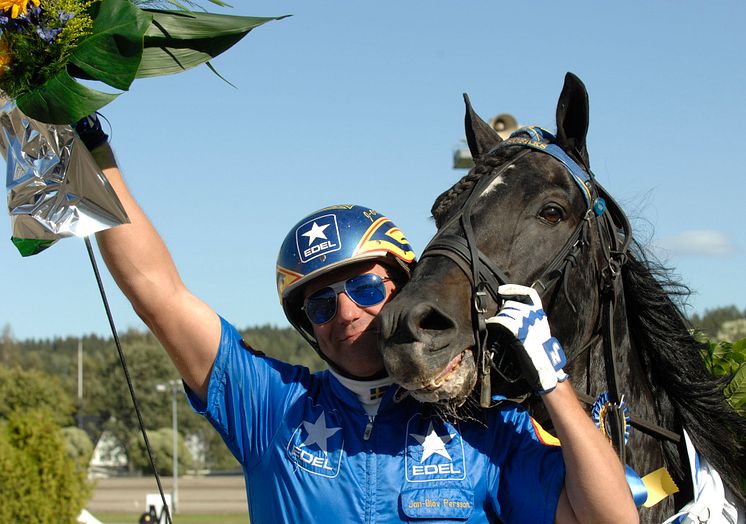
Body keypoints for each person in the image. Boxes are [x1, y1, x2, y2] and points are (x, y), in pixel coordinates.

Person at [83, 116, 638, 523]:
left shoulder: (483, 431)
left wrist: (553, 380)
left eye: (366, 287)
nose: (346, 312)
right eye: (320, 305)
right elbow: (157, 291)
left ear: (403, 286)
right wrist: (89, 143)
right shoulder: (271, 406)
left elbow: (612, 521)